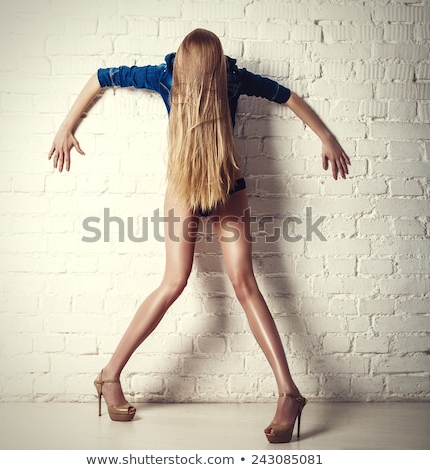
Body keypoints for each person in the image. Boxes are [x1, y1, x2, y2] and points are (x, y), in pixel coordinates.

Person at [48, 29, 350, 443]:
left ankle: (289, 393)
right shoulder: (164, 75)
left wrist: (326, 136)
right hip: (186, 187)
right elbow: (103, 76)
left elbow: (286, 95)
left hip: (227, 184)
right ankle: (108, 376)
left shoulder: (233, 77)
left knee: (246, 285)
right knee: (173, 282)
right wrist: (68, 126)